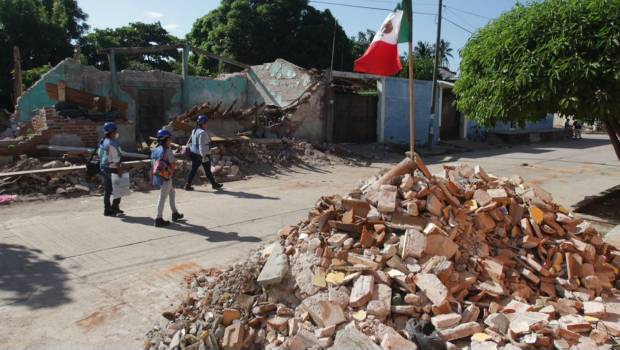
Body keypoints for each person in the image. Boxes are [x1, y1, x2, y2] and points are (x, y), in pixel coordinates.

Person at [151, 129, 184, 227]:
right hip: (166, 177)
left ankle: (175, 213)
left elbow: (153, 163)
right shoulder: (168, 150)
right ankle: (158, 218)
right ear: (166, 139)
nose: (170, 140)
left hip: (159, 176)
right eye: (169, 138)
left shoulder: (156, 149)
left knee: (172, 193)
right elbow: (173, 164)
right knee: (162, 198)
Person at [185, 115, 223, 191]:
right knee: (207, 170)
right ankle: (214, 185)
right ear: (203, 123)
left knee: (194, 169)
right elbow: (201, 145)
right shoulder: (202, 133)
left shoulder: (194, 130)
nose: (207, 124)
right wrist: (204, 156)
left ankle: (187, 185)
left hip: (194, 153)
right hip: (202, 155)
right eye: (206, 123)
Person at [98, 122, 124, 216]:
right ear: (112, 132)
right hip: (112, 169)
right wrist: (120, 170)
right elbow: (116, 160)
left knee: (108, 190)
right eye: (115, 131)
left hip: (104, 168)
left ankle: (107, 210)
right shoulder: (112, 144)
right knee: (119, 189)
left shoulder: (103, 141)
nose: (117, 132)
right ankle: (114, 208)